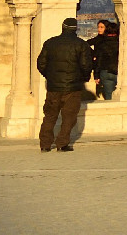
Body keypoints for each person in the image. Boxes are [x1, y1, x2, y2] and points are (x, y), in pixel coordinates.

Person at [35, 16, 93, 152]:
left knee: (49, 115)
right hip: (73, 88)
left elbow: (41, 64)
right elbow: (86, 66)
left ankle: (45, 144)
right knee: (69, 117)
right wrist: (82, 79)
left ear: (63, 27)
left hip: (54, 87)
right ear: (75, 29)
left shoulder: (50, 43)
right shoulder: (81, 44)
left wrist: (50, 76)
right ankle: (62, 143)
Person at [89, 18, 120, 100]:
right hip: (114, 69)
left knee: (109, 95)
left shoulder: (102, 42)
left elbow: (99, 61)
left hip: (105, 70)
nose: (99, 29)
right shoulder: (118, 41)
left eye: (101, 27)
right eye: (98, 27)